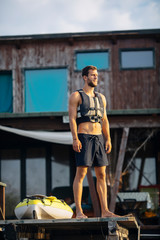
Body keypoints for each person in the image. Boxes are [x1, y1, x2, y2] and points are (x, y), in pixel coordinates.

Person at [69, 65, 118, 219]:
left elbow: (105, 120)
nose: (96, 77)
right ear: (85, 77)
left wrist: (108, 138)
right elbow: (71, 118)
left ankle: (105, 211)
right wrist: (75, 138)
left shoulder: (101, 98)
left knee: (102, 174)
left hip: (99, 138)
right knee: (81, 173)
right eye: (92, 75)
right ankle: (79, 212)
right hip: (84, 137)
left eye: (96, 75)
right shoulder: (76, 96)